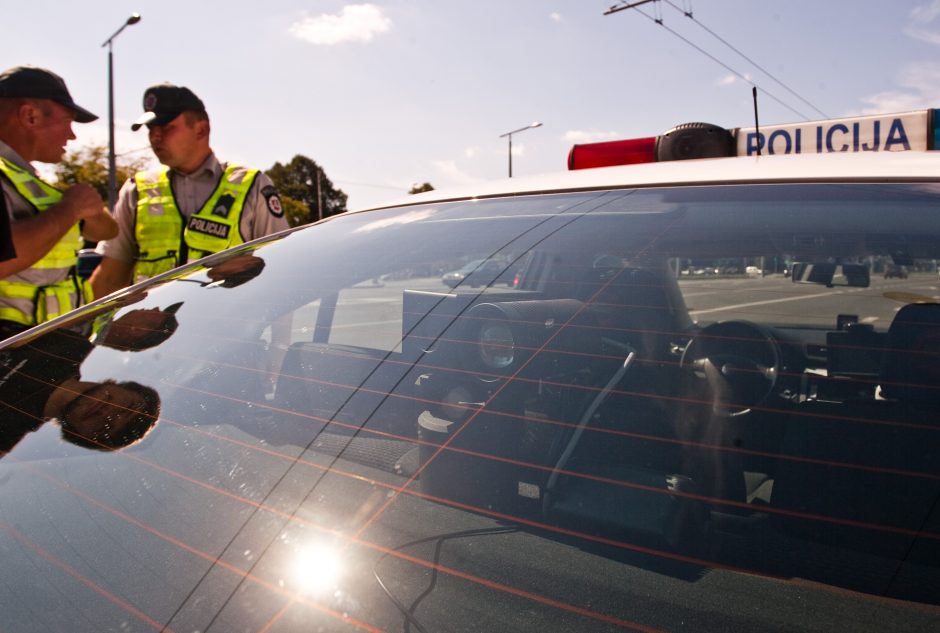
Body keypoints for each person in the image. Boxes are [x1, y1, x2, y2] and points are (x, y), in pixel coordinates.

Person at [90, 83, 289, 298]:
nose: (155, 137)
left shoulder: (252, 185)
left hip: (227, 328)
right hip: (152, 329)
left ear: (201, 129)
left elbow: (280, 273)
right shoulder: (137, 190)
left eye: (166, 128)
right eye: (151, 129)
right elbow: (110, 278)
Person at [0, 66, 118, 337]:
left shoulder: (25, 181)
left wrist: (81, 208)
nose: (72, 135)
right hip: (13, 352)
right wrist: (70, 209)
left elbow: (107, 231)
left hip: (43, 348)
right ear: (30, 116)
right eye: (68, 120)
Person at [0, 327, 159, 455]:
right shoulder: (72, 342)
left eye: (105, 427)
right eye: (125, 409)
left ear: (80, 436)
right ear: (117, 385)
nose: (106, 414)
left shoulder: (5, 435)